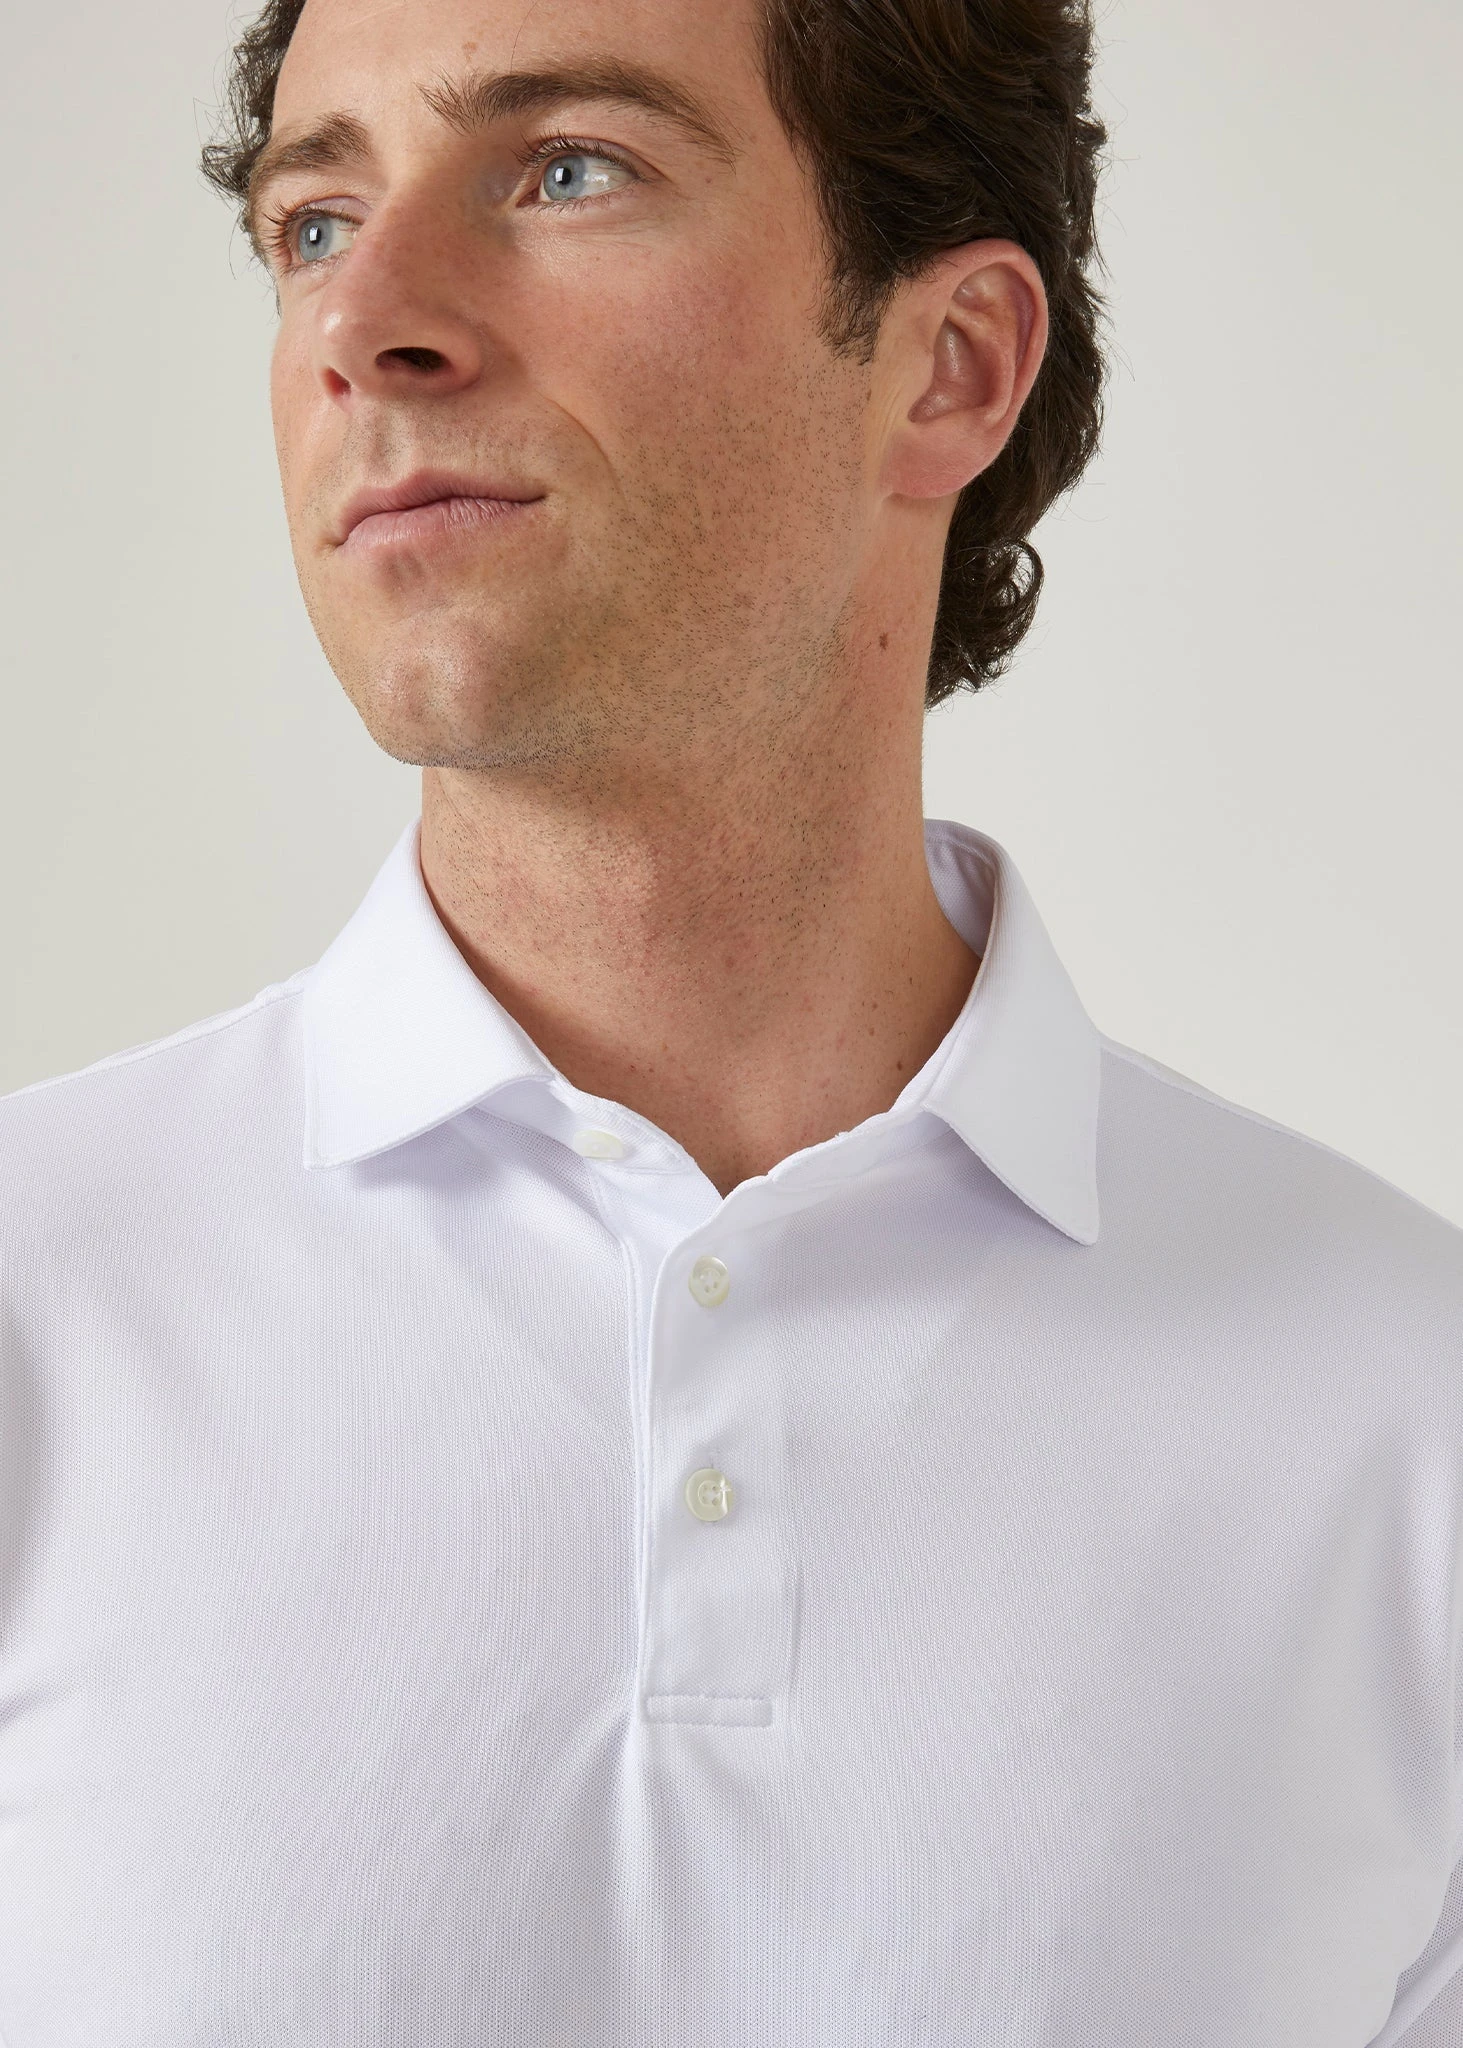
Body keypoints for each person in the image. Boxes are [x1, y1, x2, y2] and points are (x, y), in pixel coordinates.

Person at [0, 0, 1459, 2038]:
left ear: (949, 366)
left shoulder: (1405, 1417)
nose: (365, 322)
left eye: (565, 169)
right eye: (314, 221)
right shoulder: (38, 1313)